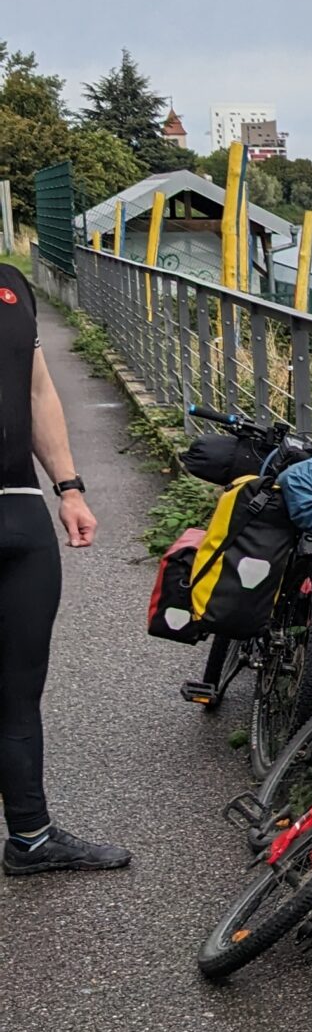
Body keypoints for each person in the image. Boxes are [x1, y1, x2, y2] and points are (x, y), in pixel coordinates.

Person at [1, 257, 132, 875]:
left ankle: (30, 838)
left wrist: (70, 487)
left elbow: (38, 390)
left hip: (19, 512)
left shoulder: (11, 285)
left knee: (19, 689)